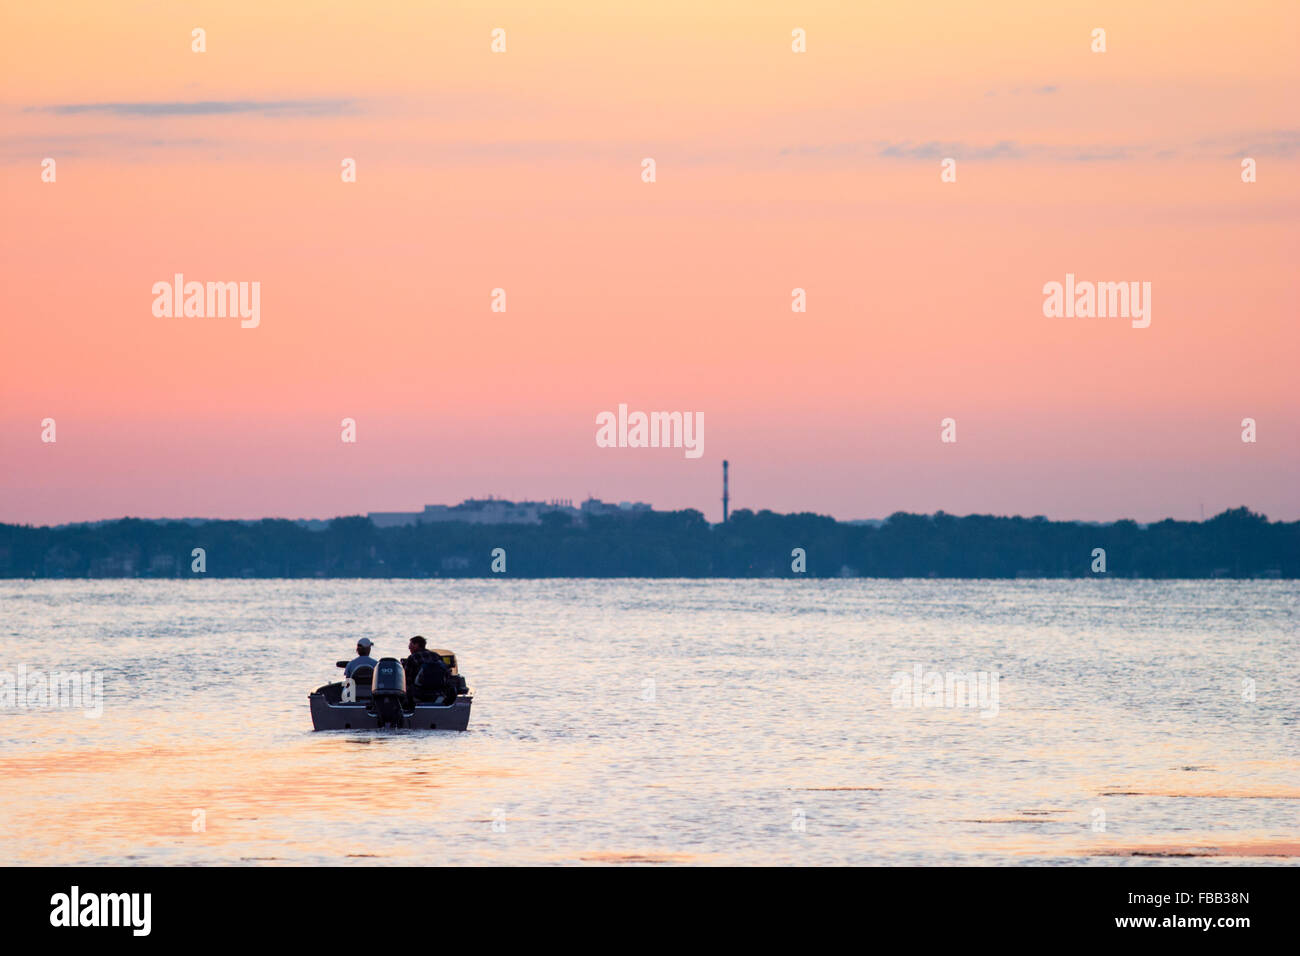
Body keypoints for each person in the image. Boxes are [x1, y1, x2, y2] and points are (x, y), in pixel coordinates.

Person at [403, 635, 450, 702]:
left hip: (419, 692)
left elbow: (407, 678)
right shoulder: (436, 655)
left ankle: (407, 707)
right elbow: (447, 673)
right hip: (439, 691)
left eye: (411, 644)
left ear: (417, 645)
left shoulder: (413, 657)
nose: (409, 647)